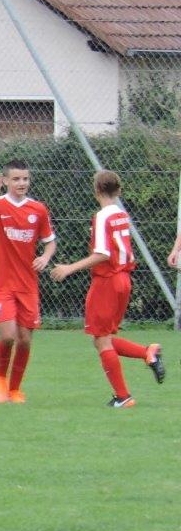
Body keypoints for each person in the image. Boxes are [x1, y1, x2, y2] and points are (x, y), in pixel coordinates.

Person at [50, 170, 165, 408]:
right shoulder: (121, 215)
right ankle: (148, 352)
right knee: (104, 338)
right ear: (119, 190)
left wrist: (70, 268)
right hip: (124, 279)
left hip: (107, 281)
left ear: (96, 191)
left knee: (102, 341)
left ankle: (123, 397)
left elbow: (102, 254)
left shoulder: (102, 217)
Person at [0, 159, 57, 403]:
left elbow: (50, 241)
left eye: (25, 179)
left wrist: (45, 257)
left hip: (28, 285)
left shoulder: (38, 209)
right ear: (6, 180)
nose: (22, 183)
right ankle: (0, 377)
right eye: (16, 179)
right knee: (8, 336)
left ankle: (15, 389)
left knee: (25, 340)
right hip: (2, 285)